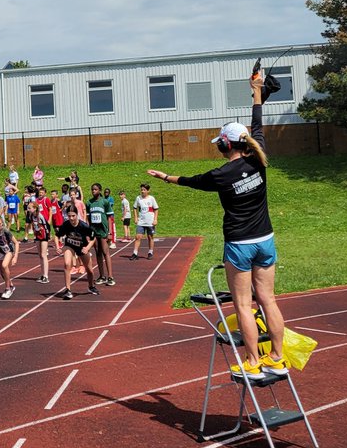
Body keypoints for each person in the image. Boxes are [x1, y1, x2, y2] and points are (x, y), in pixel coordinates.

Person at [147, 70, 288, 379]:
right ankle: (277, 357)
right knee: (268, 300)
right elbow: (258, 122)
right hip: (266, 239)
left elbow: (190, 181)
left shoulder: (220, 176)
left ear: (224, 146)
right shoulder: (259, 159)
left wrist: (165, 177)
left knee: (242, 304)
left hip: (239, 245)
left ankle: (252, 361)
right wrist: (256, 92)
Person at [57, 204, 100, 299]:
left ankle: (91, 287)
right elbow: (56, 235)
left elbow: (93, 238)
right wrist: (57, 246)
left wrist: (87, 248)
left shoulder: (84, 226)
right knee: (67, 264)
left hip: (82, 247)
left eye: (73, 216)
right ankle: (68, 290)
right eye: (69, 216)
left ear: (77, 215)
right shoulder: (66, 225)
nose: (71, 218)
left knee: (90, 271)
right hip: (70, 246)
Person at [88, 183, 115, 285]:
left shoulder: (105, 202)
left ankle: (110, 277)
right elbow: (88, 219)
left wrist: (110, 232)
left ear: (100, 190)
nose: (93, 191)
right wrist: (88, 232)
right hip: (94, 231)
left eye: (95, 189)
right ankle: (101, 276)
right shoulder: (89, 203)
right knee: (98, 253)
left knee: (105, 252)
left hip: (103, 231)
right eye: (92, 189)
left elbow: (109, 218)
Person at [0, 213, 20, 299]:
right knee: (2, 272)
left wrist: (15, 256)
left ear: (2, 223)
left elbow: (16, 243)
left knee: (4, 265)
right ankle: (11, 285)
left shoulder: (6, 231)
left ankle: (7, 289)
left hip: (9, 250)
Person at [130, 184, 159, 259]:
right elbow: (134, 208)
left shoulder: (151, 198)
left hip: (150, 222)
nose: (142, 191)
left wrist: (155, 219)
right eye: (141, 190)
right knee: (138, 237)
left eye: (144, 190)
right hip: (141, 222)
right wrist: (136, 218)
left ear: (148, 191)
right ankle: (135, 253)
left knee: (150, 237)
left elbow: (156, 209)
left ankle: (150, 252)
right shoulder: (138, 198)